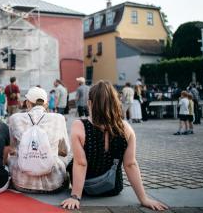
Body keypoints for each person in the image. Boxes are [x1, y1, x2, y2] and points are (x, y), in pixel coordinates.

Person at [61, 81, 168, 211]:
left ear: (90, 103)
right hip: (112, 188)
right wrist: (143, 198)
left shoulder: (79, 126)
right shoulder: (126, 128)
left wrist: (75, 197)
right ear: (115, 103)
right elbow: (130, 164)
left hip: (85, 189)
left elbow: (81, 163)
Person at [8, 87, 70, 193]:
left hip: (21, 183)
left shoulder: (15, 118)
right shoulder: (59, 118)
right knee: (63, 161)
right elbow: (65, 151)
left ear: (28, 103)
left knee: (11, 159)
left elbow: (12, 149)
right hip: (54, 184)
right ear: (45, 105)